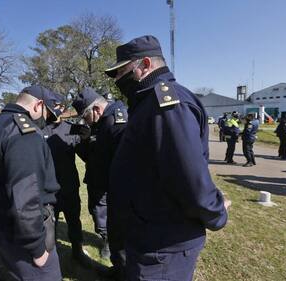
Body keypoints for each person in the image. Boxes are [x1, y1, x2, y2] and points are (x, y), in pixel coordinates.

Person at [105, 35, 230, 281]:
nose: (117, 80)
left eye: (121, 71)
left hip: (163, 245)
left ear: (145, 65)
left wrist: (217, 214)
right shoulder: (146, 103)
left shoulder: (167, 105)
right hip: (147, 234)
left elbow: (189, 178)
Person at [0, 85, 62, 281]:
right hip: (22, 235)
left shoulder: (2, 122)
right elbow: (26, 196)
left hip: (5, 226)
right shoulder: (24, 133)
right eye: (47, 114)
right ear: (38, 105)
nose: (47, 121)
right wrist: (37, 249)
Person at [72, 87, 128, 279]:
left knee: (120, 232)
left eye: (85, 116)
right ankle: (118, 269)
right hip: (102, 182)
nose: (84, 121)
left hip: (117, 189)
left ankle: (124, 272)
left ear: (95, 110)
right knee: (111, 228)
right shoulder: (102, 122)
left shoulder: (116, 122)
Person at [41, 92, 90, 265]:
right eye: (54, 105)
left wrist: (85, 140)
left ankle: (78, 251)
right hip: (48, 189)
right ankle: (51, 259)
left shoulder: (71, 128)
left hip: (69, 186)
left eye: (61, 106)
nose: (58, 109)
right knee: (49, 227)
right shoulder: (39, 130)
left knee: (74, 221)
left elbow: (85, 156)